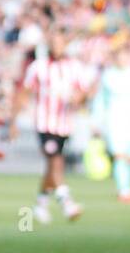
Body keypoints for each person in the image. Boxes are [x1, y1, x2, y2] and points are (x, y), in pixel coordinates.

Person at [19, 31, 87, 223]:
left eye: (60, 43)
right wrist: (15, 119)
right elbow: (24, 91)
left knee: (52, 165)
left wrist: (78, 99)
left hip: (64, 123)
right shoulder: (38, 67)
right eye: (54, 43)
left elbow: (82, 92)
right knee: (56, 160)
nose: (57, 46)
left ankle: (40, 205)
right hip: (44, 122)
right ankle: (67, 202)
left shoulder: (74, 67)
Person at [90, 34, 130, 202]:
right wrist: (96, 121)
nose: (123, 59)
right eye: (120, 56)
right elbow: (100, 101)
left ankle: (126, 186)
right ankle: (124, 190)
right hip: (114, 120)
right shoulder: (108, 75)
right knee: (119, 155)